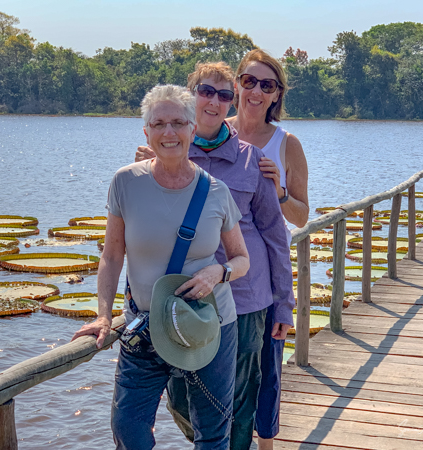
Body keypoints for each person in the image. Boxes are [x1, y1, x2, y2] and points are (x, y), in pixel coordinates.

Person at [72, 84, 250, 450]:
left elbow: (241, 259)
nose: (169, 132)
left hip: (207, 326)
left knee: (213, 434)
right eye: (159, 124)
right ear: (146, 132)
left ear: (192, 129)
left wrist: (218, 272)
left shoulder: (216, 191)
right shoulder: (125, 182)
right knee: (128, 429)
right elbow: (111, 256)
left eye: (178, 123)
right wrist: (103, 316)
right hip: (145, 327)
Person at [135, 62, 294, 449]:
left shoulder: (252, 160)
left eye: (224, 95)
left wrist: (284, 304)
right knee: (181, 399)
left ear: (232, 101)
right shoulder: (162, 153)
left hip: (245, 301)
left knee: (239, 403)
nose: (214, 101)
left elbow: (276, 236)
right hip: (183, 298)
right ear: (191, 97)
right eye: (206, 91)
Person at [228, 49, 309, 450]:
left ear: (277, 94)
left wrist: (278, 192)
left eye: (267, 85)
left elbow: (302, 215)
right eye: (249, 81)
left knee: (266, 374)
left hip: (267, 277)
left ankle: (266, 446)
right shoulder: (212, 131)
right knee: (213, 377)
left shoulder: (286, 143)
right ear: (236, 85)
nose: (256, 92)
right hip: (217, 275)